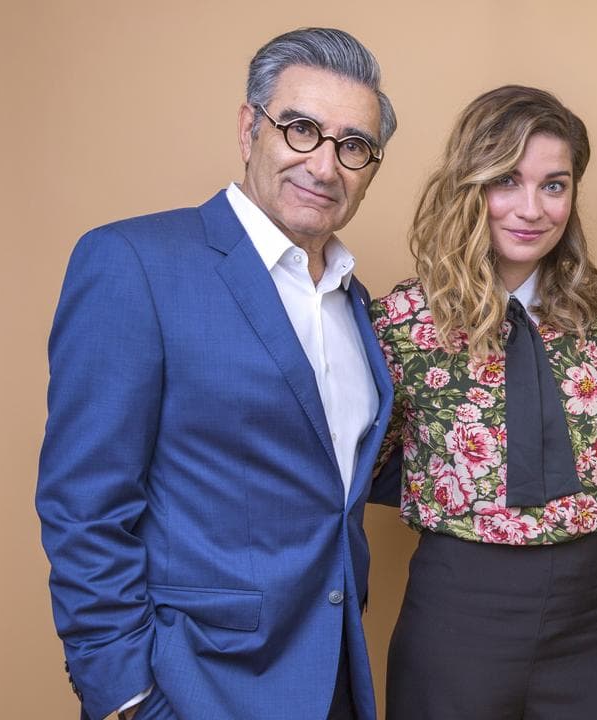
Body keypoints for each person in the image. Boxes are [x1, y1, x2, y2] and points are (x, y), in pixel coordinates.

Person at [35, 28, 397, 720]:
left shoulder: (354, 302)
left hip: (334, 679)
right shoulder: (134, 263)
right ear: (248, 128)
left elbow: (332, 478)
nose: (325, 167)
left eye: (353, 146)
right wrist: (126, 697)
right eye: (300, 130)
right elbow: (84, 504)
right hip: (195, 688)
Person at [369, 85, 597, 719]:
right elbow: (364, 461)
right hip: (458, 613)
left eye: (554, 185)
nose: (531, 209)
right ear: (472, 184)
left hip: (588, 616)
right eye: (508, 182)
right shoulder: (406, 322)